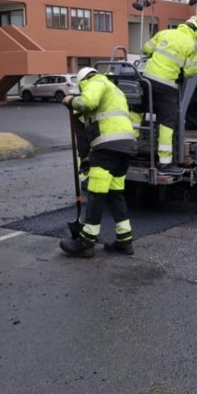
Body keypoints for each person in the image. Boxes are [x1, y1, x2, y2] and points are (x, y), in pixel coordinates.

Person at [60, 67, 137, 258]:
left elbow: (87, 101)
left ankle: (86, 243)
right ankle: (124, 241)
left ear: (83, 80)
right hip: (126, 146)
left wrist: (71, 100)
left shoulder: (97, 82)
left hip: (107, 147)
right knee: (115, 194)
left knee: (96, 193)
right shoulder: (115, 90)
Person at [138, 14, 197, 175]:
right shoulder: (193, 46)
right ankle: (165, 164)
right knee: (166, 124)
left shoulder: (164, 33)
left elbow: (146, 49)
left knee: (137, 112)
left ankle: (129, 149)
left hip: (146, 80)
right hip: (167, 86)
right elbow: (190, 72)